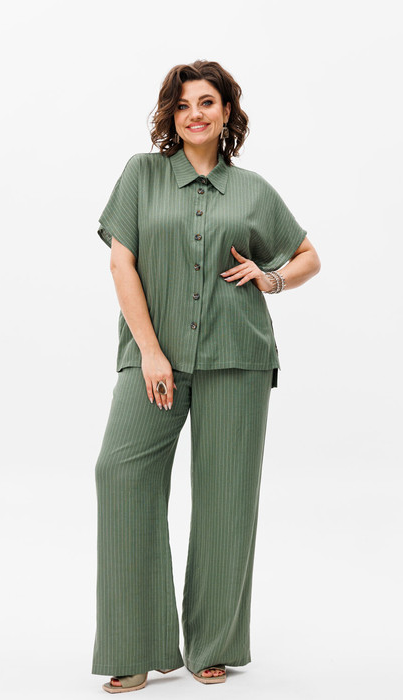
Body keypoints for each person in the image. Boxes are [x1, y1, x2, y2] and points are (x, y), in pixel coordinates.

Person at [91, 59, 321, 693]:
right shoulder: (141, 175)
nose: (195, 113)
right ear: (172, 115)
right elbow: (121, 265)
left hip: (237, 355)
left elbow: (308, 257)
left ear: (226, 115)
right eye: (184, 104)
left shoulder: (252, 191)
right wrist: (151, 352)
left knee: (226, 500)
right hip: (153, 359)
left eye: (208, 103)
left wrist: (272, 278)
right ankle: (135, 643)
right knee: (120, 473)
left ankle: (213, 644)